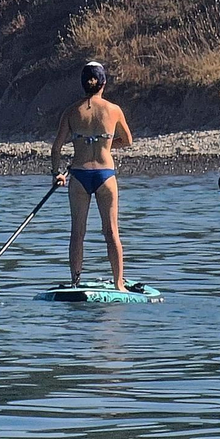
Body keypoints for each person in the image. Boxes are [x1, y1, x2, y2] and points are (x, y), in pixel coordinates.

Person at [51, 61, 133, 291]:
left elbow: (56, 148)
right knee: (111, 232)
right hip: (106, 175)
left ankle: (75, 282)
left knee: (77, 233)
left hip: (78, 176)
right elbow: (127, 140)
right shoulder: (113, 109)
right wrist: (106, 145)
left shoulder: (71, 111)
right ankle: (119, 284)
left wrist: (57, 174)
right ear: (103, 83)